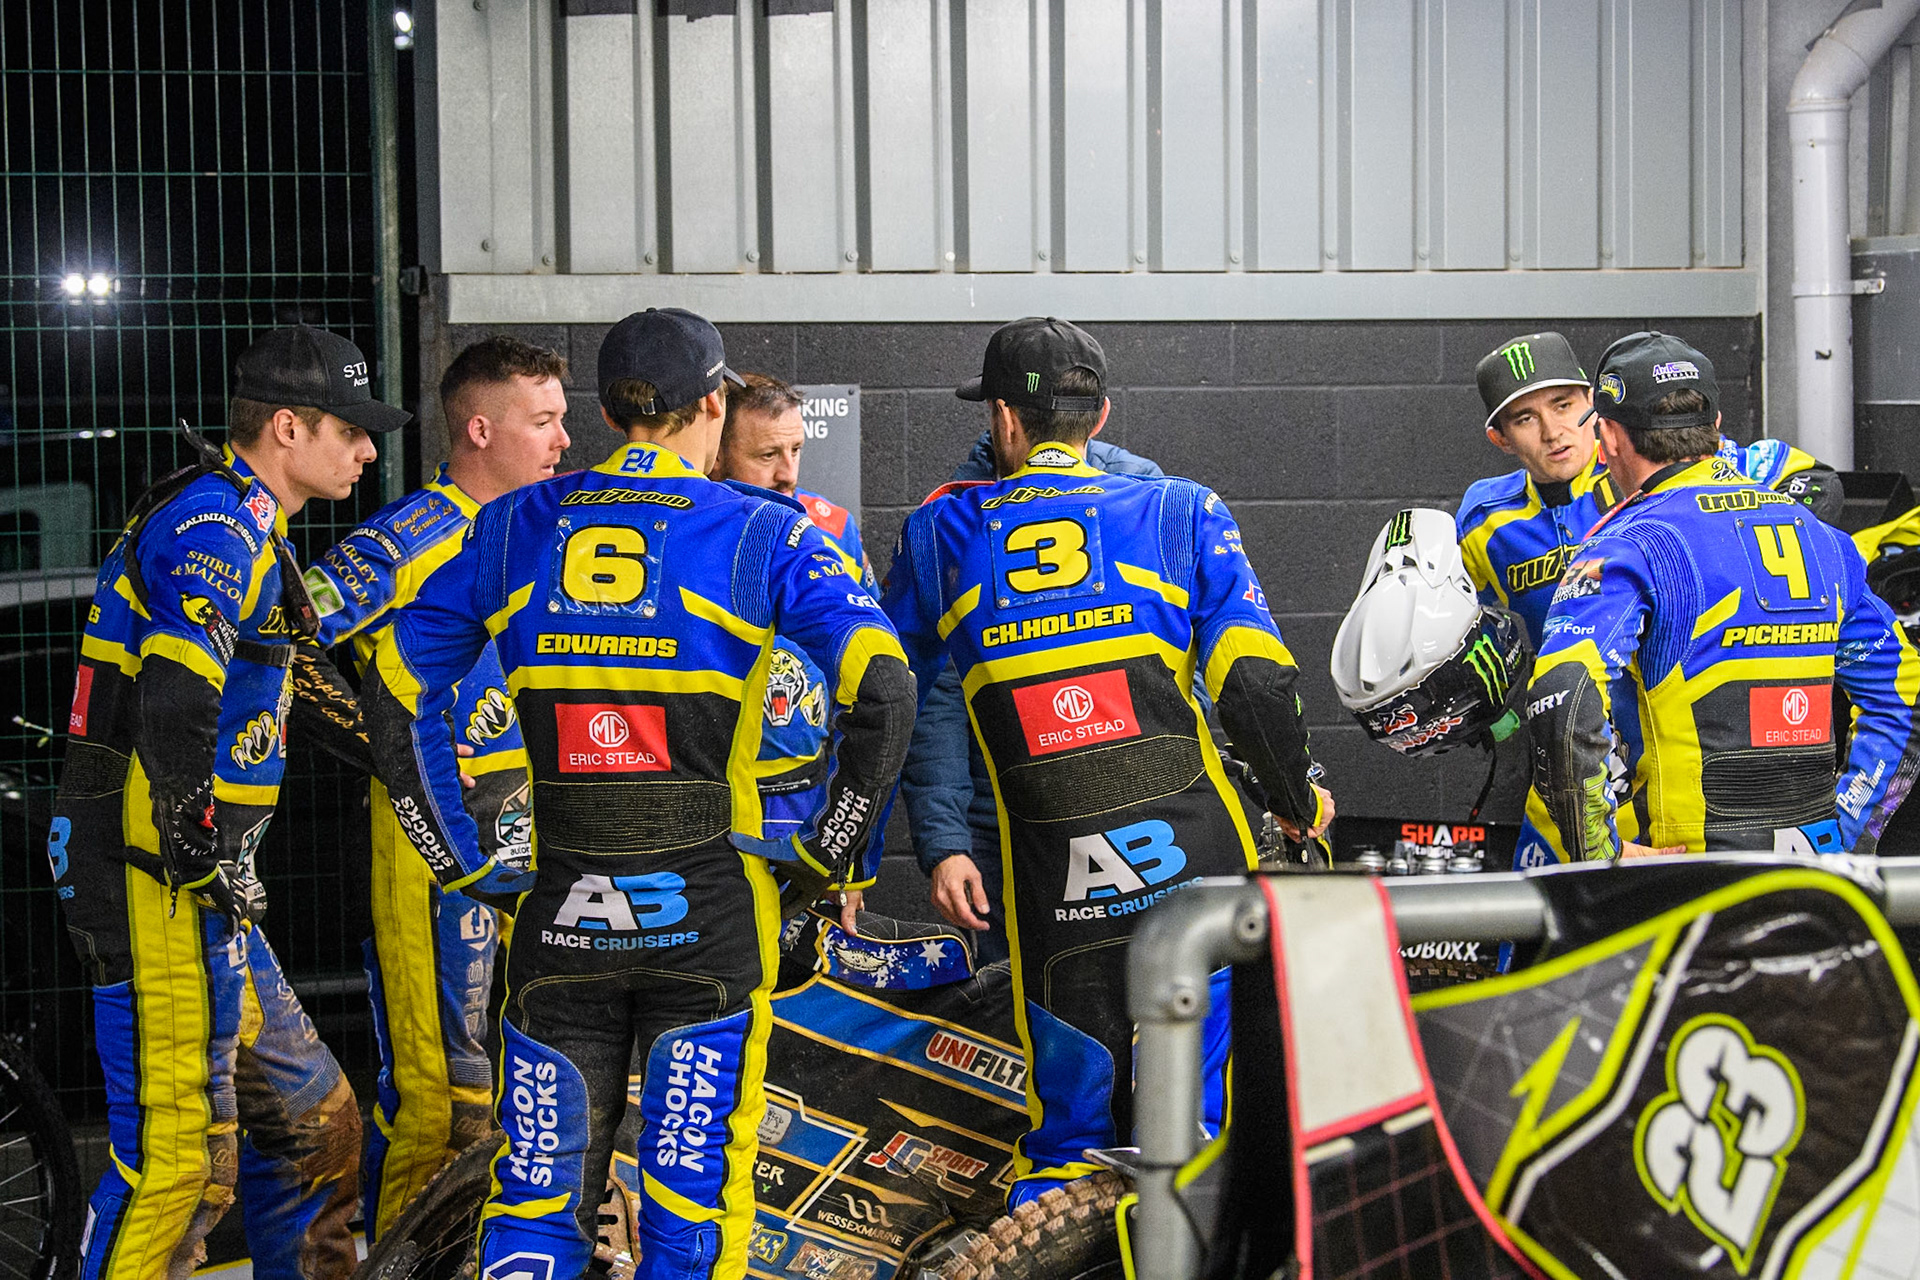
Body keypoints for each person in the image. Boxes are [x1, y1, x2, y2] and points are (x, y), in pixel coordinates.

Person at [359, 307, 915, 1280]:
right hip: (709, 919)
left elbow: (397, 689)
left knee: (532, 1198)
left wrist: (465, 861)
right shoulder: (764, 532)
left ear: (609, 408)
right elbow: (887, 687)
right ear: (712, 403)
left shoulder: (510, 525)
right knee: (688, 1206)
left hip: (557, 912)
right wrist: (828, 862)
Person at [878, 316, 1332, 1202]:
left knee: (1066, 1145)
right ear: (1101, 414)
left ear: (1005, 422)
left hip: (1056, 880)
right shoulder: (1181, 507)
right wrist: (1293, 795)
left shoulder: (940, 531)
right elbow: (1256, 687)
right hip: (1199, 859)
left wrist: (851, 851)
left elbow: (888, 696)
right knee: (1200, 1137)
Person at [47, 324, 406, 1278]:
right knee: (176, 1159)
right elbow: (177, 690)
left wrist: (421, 769)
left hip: (203, 884)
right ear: (288, 427)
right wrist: (193, 833)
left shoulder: (254, 528)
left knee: (315, 1125)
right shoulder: (214, 524)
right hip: (158, 871)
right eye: (353, 430)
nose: (370, 450)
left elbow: (314, 696)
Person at [302, 336, 568, 1239]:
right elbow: (284, 635)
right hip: (429, 854)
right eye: (544, 421)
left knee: (503, 1099)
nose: (564, 440)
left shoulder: (545, 533)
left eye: (565, 418)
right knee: (436, 1101)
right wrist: (379, 744)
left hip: (529, 855)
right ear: (482, 427)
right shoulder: (414, 533)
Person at [1525, 331, 1920, 860]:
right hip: (1814, 887)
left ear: (1610, 438)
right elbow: (1905, 692)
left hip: (1686, 887)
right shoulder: (1824, 539)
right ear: (1714, 426)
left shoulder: (1626, 547)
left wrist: (1603, 855)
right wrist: (1848, 831)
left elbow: (1565, 699)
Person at [904, 415, 1164, 963]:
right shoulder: (954, 517)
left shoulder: (1141, 490)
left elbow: (1181, 664)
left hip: (1130, 808)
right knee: (1017, 1007)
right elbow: (931, 699)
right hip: (1002, 822)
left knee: (1145, 995)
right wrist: (946, 844)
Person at [708, 372, 878, 851]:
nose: (789, 473)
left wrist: (851, 841)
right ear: (717, 455)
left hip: (811, 800)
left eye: (796, 450)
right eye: (767, 455)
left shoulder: (833, 530)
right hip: (714, 802)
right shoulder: (690, 536)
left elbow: (867, 692)